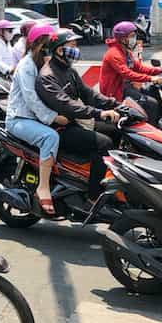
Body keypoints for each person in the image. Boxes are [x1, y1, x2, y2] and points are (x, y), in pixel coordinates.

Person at [38, 29, 121, 201]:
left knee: (117, 128)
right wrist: (99, 113)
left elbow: (89, 94)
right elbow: (68, 106)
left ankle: (104, 175)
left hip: (76, 121)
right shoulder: (48, 77)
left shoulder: (69, 70)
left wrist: (116, 105)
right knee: (104, 143)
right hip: (61, 127)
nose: (76, 49)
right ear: (59, 50)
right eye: (72, 46)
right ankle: (95, 195)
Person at [6, 23, 66, 214]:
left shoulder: (44, 64)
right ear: (38, 44)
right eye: (48, 44)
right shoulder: (26, 65)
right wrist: (53, 117)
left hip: (35, 118)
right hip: (19, 119)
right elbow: (31, 98)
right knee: (51, 137)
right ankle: (43, 187)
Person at [100, 21, 162, 124]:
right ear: (123, 38)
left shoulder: (125, 52)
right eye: (132, 36)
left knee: (152, 90)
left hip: (126, 86)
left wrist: (158, 71)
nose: (134, 39)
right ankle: (149, 132)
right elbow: (126, 73)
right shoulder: (114, 53)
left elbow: (138, 67)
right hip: (117, 90)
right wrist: (150, 78)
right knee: (151, 104)